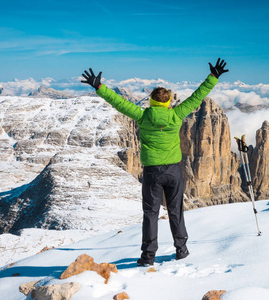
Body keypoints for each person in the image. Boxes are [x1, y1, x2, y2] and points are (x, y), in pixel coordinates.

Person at [81, 58, 229, 266]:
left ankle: (148, 256)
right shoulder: (177, 115)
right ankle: (182, 250)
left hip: (152, 173)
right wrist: (213, 77)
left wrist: (99, 87)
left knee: (150, 214)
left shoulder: (143, 116)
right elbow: (197, 97)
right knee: (176, 211)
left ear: (151, 101)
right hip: (174, 171)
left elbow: (119, 102)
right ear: (168, 102)